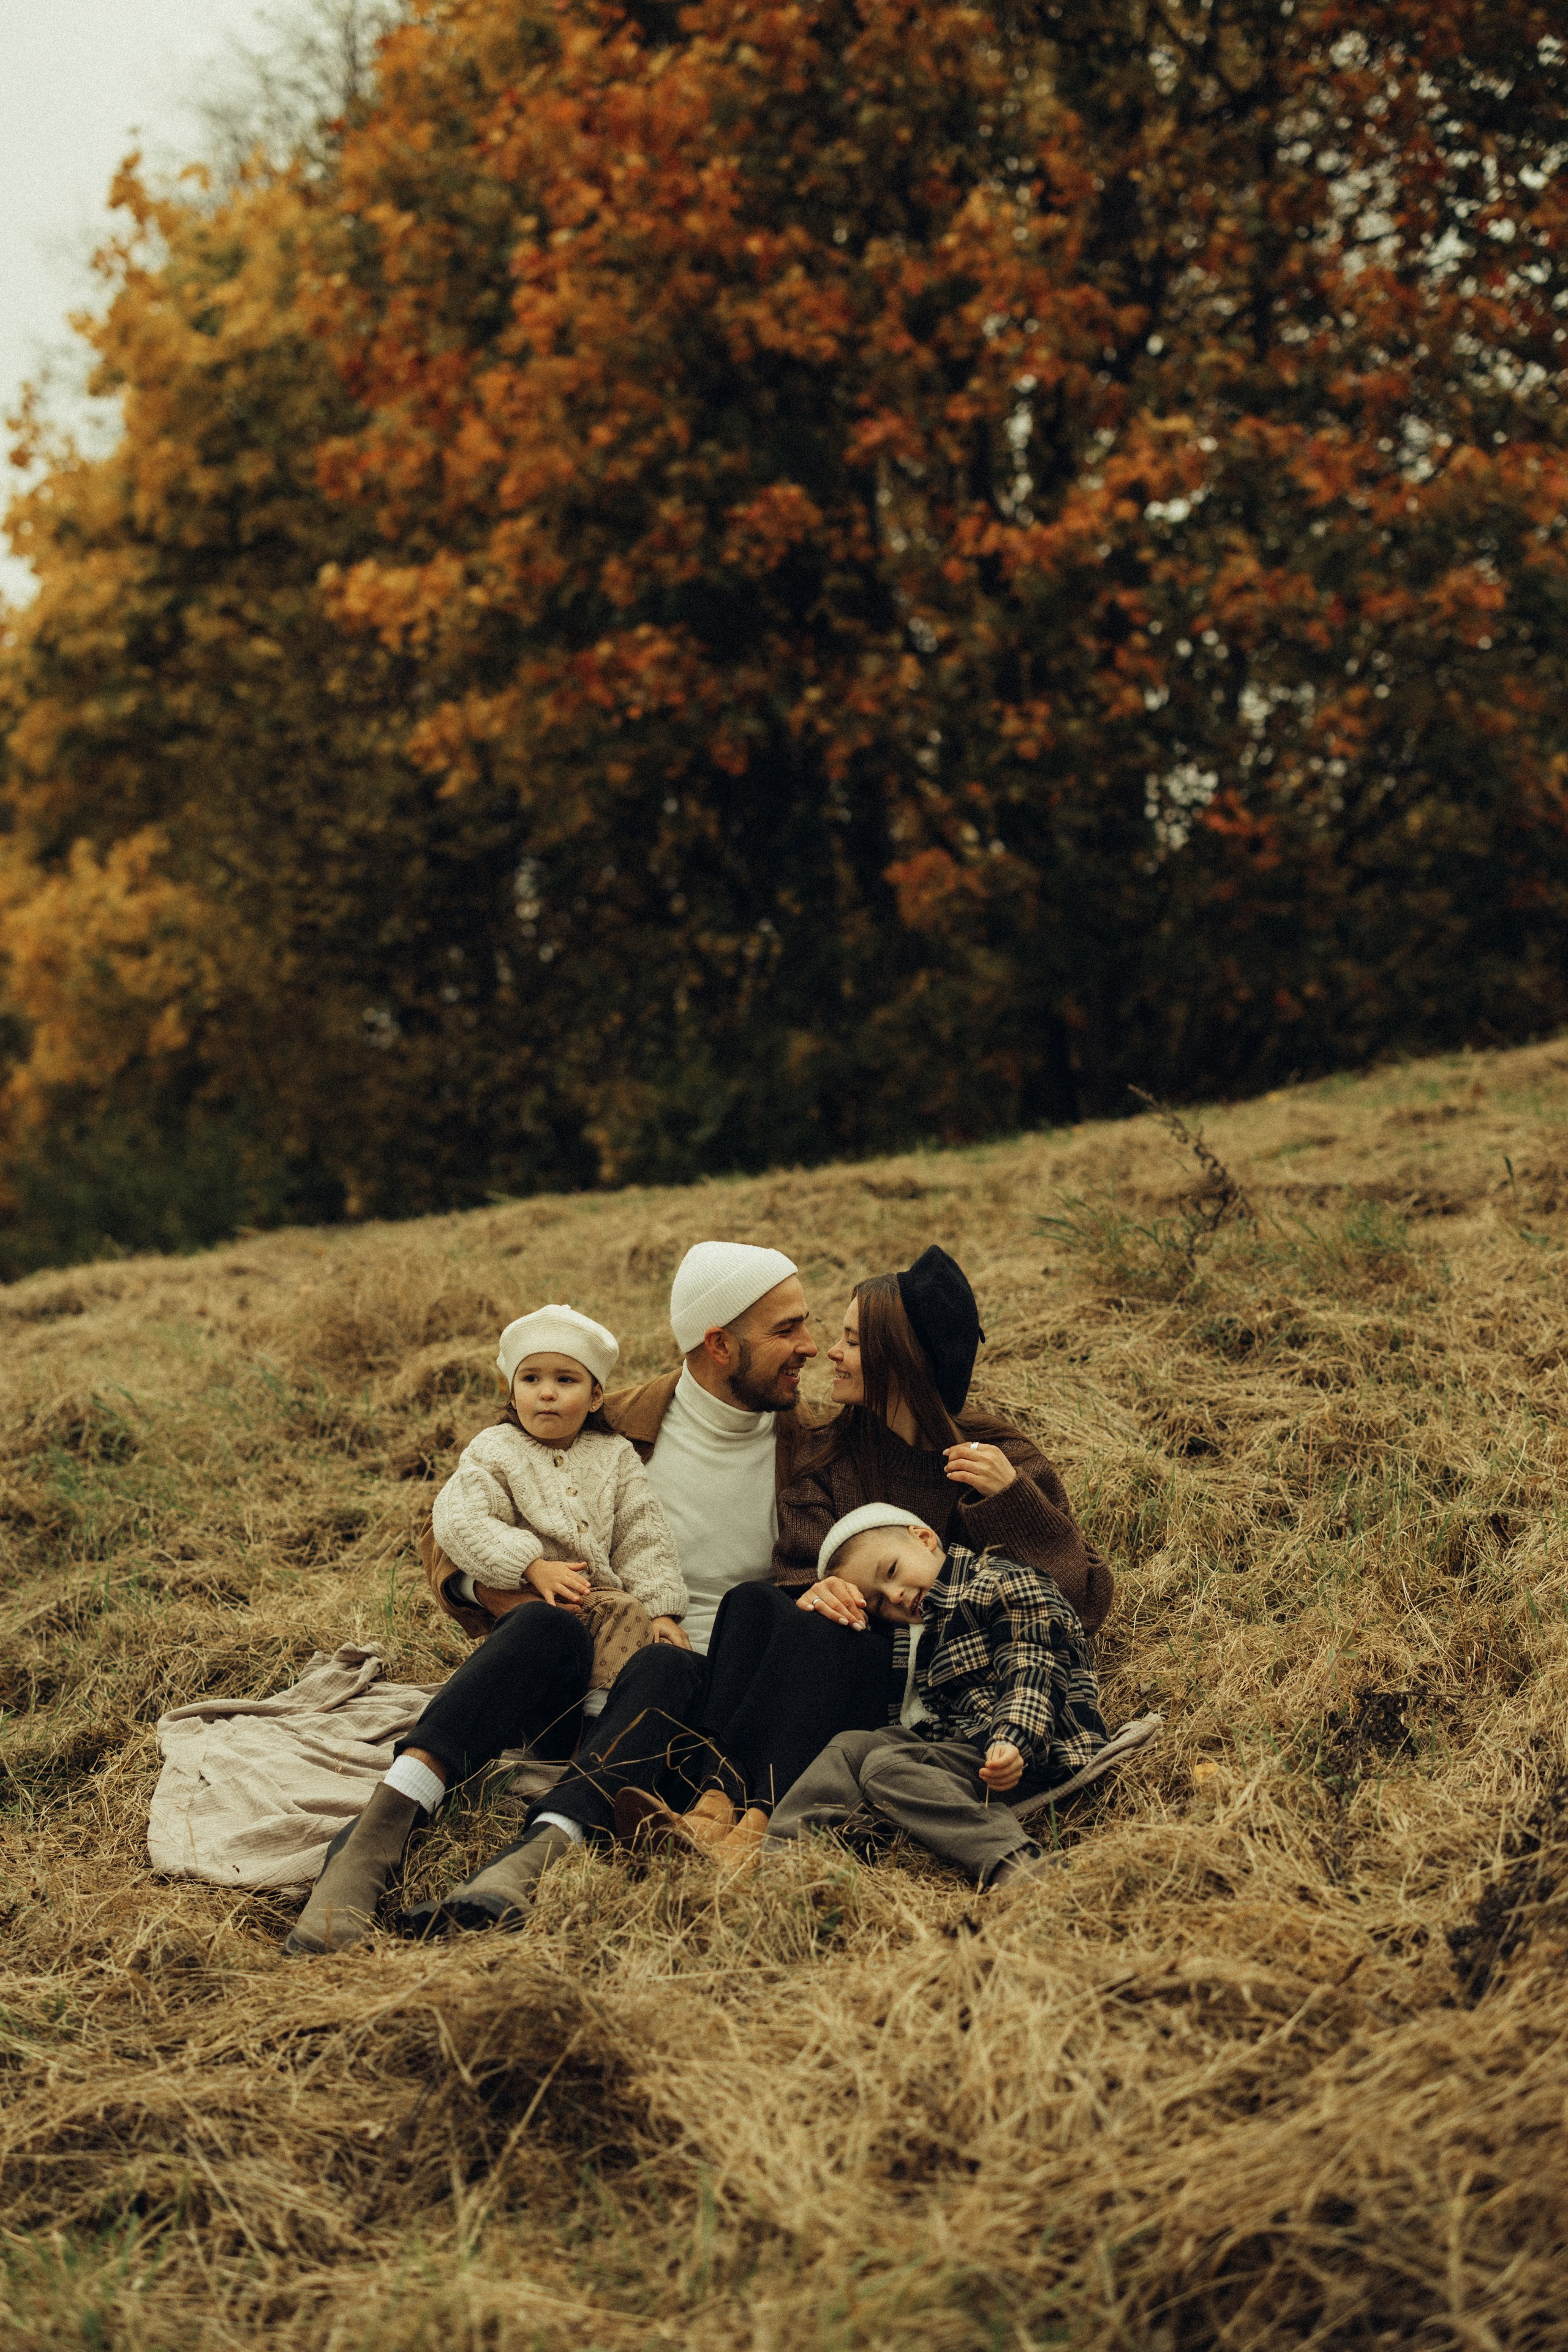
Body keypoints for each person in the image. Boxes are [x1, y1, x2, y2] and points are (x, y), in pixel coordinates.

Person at [397, 1239, 827, 1937]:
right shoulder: (610, 1424)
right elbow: (447, 1528)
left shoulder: (813, 1444)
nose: (812, 1345)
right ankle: (435, 1835)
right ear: (719, 1343)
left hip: (734, 1685)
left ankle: (549, 1849)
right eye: (787, 1329)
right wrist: (505, 1588)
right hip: (608, 1661)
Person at [644, 1246, 1117, 1851]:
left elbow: (1080, 1605)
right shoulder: (826, 1459)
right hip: (831, 1666)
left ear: (901, 1360)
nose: (827, 1353)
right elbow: (792, 1566)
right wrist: (817, 1587)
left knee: (822, 1632)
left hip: (931, 1694)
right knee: (756, 1601)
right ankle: (713, 1795)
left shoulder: (1000, 1461)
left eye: (850, 1341)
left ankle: (750, 1816)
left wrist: (1013, 1503)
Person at [285, 1302, 682, 1956]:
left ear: (595, 1395)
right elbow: (460, 1520)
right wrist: (529, 1563)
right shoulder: (495, 1450)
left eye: (566, 1379)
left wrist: (664, 1610)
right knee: (541, 1627)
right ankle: (372, 1838)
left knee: (650, 1647)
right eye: (531, 1379)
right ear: (510, 1388)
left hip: (609, 1666)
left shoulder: (615, 1458)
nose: (547, 1393)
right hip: (541, 1667)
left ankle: (572, 1784)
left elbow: (645, 1539)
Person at [756, 1504, 1159, 1887]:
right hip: (978, 1755)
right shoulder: (928, 1633)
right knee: (853, 1747)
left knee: (886, 1766)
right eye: (879, 1600)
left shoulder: (1002, 1582)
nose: (894, 1595)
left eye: (892, 1570)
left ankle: (1014, 1862)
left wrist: (1012, 1738)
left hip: (1041, 1754)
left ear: (925, 1538)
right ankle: (785, 1862)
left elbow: (1031, 1662)